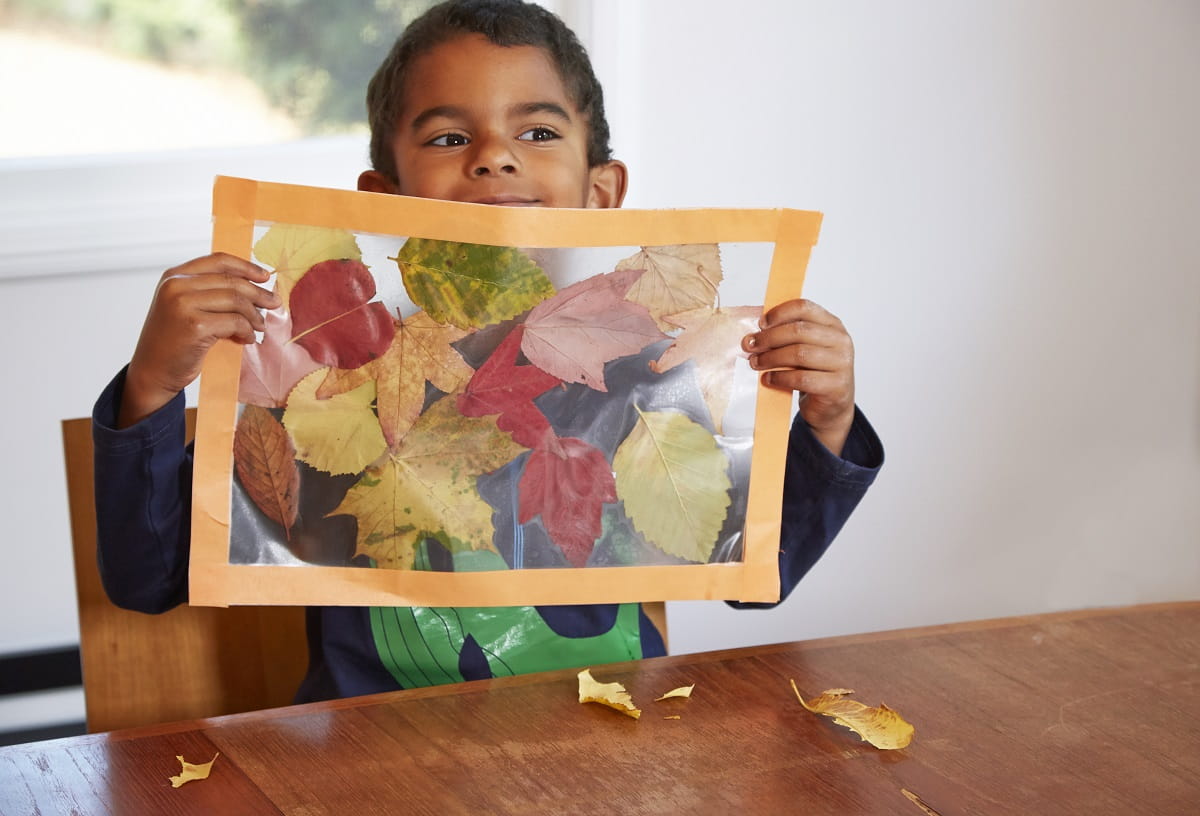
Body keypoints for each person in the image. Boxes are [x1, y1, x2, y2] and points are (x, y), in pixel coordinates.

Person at [92, 0, 884, 702]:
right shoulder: (327, 387)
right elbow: (149, 579)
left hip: (612, 755)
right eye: (448, 136)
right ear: (384, 202)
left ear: (601, 193)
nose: (494, 157)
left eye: (537, 132)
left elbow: (756, 575)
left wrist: (829, 420)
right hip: (370, 770)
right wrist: (155, 388)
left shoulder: (654, 377)